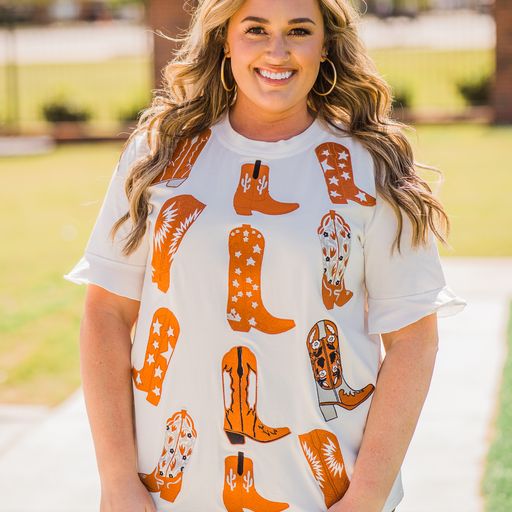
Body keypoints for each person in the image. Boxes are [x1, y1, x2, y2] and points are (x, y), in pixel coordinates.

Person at [64, 0, 467, 511]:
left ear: (325, 46)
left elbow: (413, 338)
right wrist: (117, 481)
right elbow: (106, 312)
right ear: (225, 39)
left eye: (299, 30)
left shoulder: (372, 164)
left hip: (326, 496)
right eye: (256, 29)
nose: (277, 51)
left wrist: (365, 497)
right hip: (168, 494)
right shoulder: (159, 152)